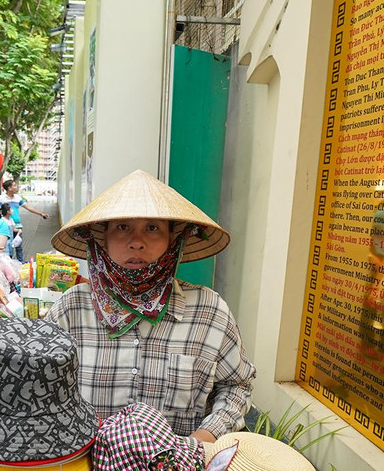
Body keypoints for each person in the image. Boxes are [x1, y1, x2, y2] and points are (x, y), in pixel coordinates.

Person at [47, 169, 254, 442]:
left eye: (153, 228)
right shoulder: (70, 310)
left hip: (179, 466)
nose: (137, 242)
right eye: (122, 227)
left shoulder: (210, 311)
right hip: (86, 464)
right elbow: (42, 385)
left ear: (172, 239)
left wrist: (204, 438)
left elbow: (236, 385)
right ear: (103, 239)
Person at [0, 176, 48, 261]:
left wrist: (41, 214)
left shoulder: (18, 198)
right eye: (14, 185)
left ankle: (20, 263)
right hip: (6, 226)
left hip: (17, 226)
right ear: (9, 188)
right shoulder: (1, 198)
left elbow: (28, 207)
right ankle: (8, 263)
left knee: (19, 247)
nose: (16, 187)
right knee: (7, 246)